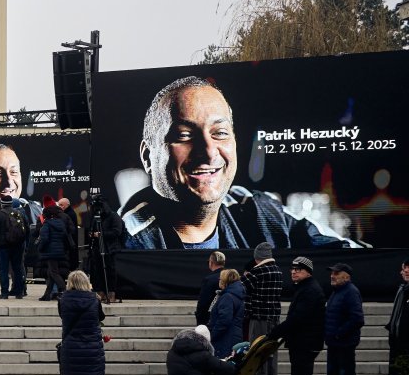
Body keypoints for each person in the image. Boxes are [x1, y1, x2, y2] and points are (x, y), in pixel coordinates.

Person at [120, 76, 357, 250]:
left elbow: (355, 256)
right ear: (147, 156)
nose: (208, 151)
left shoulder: (255, 210)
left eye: (220, 133)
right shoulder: (126, 241)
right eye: (184, 135)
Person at [268, 256, 327, 375]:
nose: (294, 271)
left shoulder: (310, 290)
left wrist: (274, 333)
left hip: (306, 344)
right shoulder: (304, 288)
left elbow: (297, 319)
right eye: (292, 269)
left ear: (308, 272)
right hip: (302, 343)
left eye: (298, 269)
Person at [241, 242, 282, 375]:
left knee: (258, 353)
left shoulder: (256, 272)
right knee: (272, 353)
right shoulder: (278, 271)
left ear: (257, 257)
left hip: (258, 319)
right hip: (274, 319)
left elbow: (241, 287)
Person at [323, 263, 365, 375]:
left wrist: (339, 333)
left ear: (346, 276)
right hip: (334, 343)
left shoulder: (351, 292)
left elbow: (357, 319)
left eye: (336, 273)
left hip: (345, 343)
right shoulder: (337, 292)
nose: (332, 276)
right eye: (332, 273)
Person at [377, 259, 409, 375]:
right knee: (398, 371)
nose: (404, 271)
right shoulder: (403, 289)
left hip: (405, 340)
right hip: (398, 338)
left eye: (407, 268)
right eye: (404, 268)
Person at [0, 198, 29, 299]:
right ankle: (19, 292)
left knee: (3, 270)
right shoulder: (19, 214)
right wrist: (25, 244)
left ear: (2, 204)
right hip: (18, 246)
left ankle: (4, 293)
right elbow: (27, 229)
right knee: (17, 269)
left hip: (2, 246)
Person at [87, 197, 123, 303]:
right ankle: (100, 292)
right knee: (97, 271)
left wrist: (101, 235)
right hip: (97, 248)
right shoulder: (95, 218)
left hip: (109, 248)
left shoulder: (113, 216)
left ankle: (111, 293)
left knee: (110, 271)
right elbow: (91, 230)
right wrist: (92, 234)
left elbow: (117, 232)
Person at [208, 269, 245, 359]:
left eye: (220, 279)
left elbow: (224, 320)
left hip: (225, 338)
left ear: (224, 281)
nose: (219, 280)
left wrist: (212, 335)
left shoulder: (227, 297)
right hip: (233, 335)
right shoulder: (237, 294)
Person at [36, 205, 70, 302]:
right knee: (50, 273)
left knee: (54, 272)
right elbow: (64, 237)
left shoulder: (47, 224)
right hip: (59, 251)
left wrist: (40, 248)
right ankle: (47, 295)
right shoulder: (60, 223)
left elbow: (44, 239)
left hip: (50, 251)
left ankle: (64, 291)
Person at [194, 251, 227, 326]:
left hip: (211, 318)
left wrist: (200, 318)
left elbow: (203, 302)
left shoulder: (209, 280)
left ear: (211, 263)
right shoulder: (231, 277)